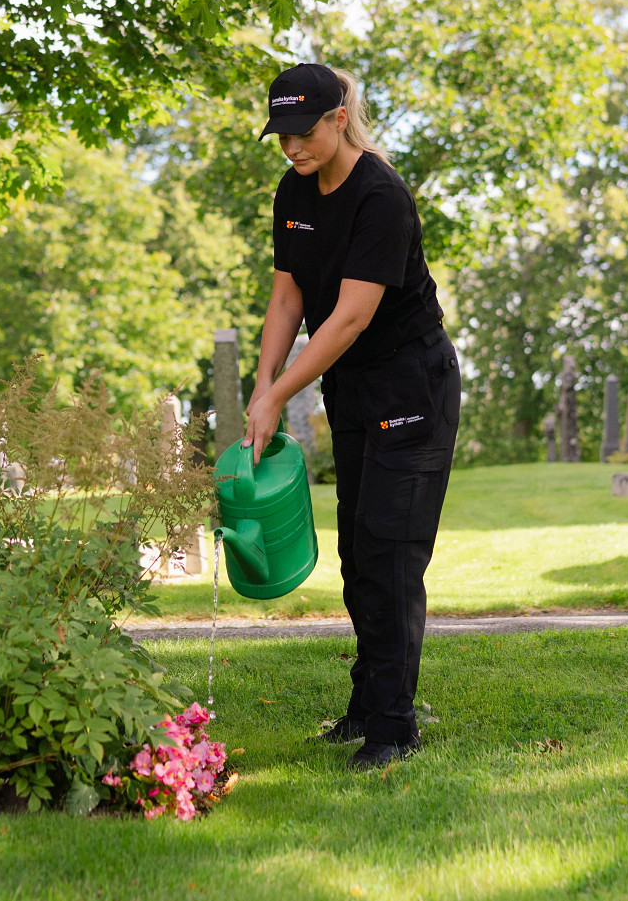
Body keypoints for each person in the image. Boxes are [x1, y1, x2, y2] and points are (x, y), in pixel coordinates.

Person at [240, 61, 460, 770]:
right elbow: (288, 298)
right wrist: (261, 384)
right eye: (281, 135)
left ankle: (395, 729)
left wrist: (280, 395)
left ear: (339, 119)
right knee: (358, 554)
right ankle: (367, 707)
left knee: (391, 555)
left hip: (410, 385)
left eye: (303, 132)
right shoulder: (294, 189)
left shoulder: (380, 195)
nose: (291, 147)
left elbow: (349, 318)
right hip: (354, 388)